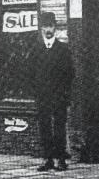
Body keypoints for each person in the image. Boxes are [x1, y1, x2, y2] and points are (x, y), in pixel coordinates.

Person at [32, 12, 75, 172]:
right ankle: (48, 159)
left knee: (59, 128)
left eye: (50, 26)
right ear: (41, 28)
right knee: (44, 127)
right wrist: (37, 91)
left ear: (55, 28)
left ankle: (61, 159)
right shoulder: (36, 49)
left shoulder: (63, 49)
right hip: (43, 97)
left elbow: (70, 73)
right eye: (45, 26)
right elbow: (30, 73)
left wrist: (64, 93)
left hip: (59, 97)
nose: (48, 30)